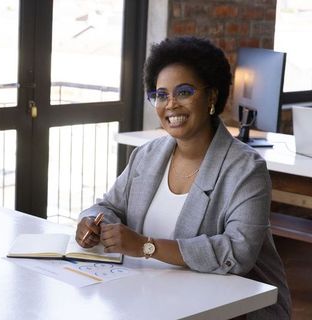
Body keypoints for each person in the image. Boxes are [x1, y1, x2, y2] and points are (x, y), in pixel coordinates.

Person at [75, 36, 291, 319]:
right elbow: (109, 207)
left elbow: (237, 252)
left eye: (184, 92)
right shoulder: (147, 155)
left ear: (212, 96)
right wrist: (90, 221)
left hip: (232, 309)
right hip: (147, 296)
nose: (171, 104)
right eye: (161, 95)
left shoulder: (245, 169)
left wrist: (144, 246)